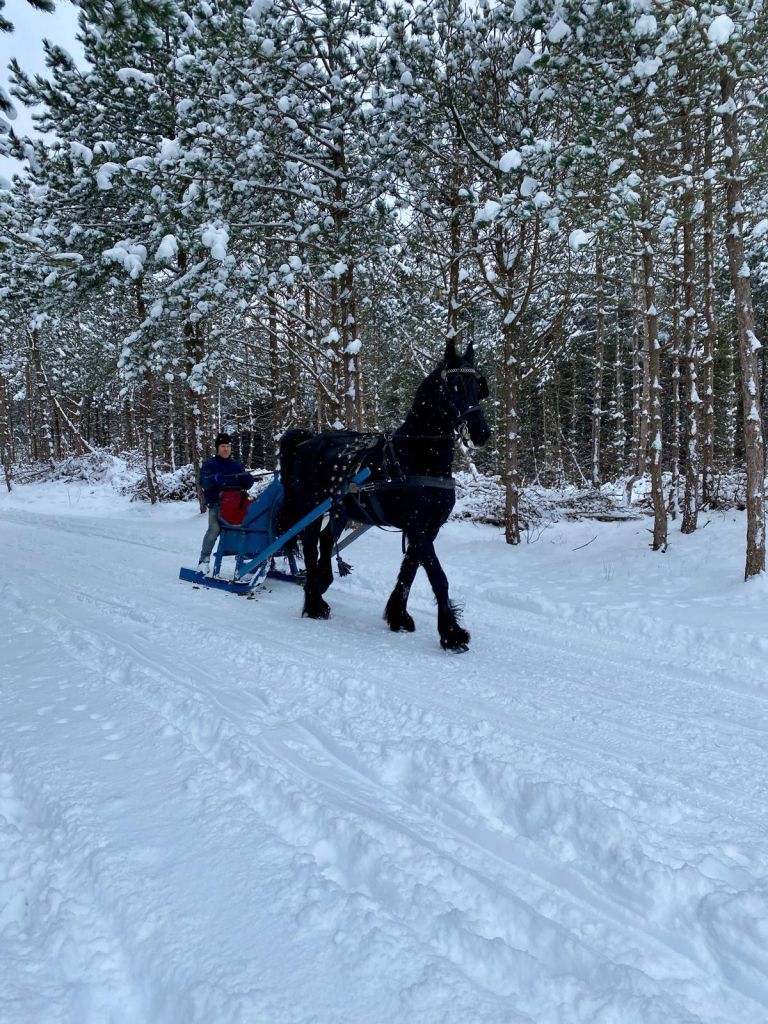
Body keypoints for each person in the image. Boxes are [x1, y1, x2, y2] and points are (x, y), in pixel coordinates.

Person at [197, 433, 254, 573]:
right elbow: (203, 481)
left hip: (236, 506)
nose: (226, 449)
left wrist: (248, 480)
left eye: (228, 446)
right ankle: (203, 561)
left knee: (246, 527)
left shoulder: (236, 465)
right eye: (223, 446)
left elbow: (245, 484)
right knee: (214, 530)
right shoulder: (210, 464)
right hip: (218, 504)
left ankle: (243, 559)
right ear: (217, 448)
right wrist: (213, 479)